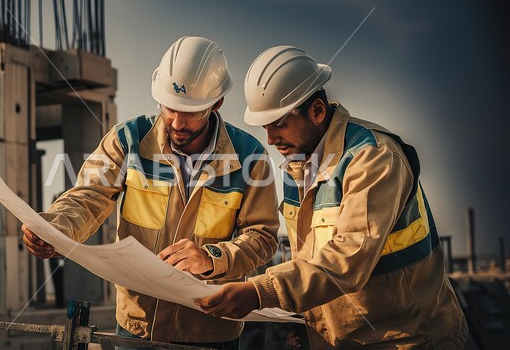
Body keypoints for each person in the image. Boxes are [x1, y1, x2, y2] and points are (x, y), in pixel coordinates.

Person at [195, 46, 468, 348]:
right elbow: (310, 260)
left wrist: (261, 291)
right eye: (265, 128)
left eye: (280, 124)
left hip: (409, 341)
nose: (271, 140)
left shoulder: (374, 158)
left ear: (317, 111)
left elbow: (346, 259)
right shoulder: (297, 165)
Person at [22, 36, 279, 348]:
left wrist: (214, 258)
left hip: (210, 333)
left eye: (192, 111)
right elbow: (89, 195)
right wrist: (56, 227)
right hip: (136, 327)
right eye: (170, 107)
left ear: (217, 103)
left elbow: (262, 236)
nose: (177, 122)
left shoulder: (249, 157)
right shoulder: (128, 140)